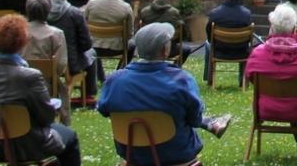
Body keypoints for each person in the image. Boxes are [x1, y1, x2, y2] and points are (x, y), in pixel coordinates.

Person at [98, 23, 232, 166]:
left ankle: (212, 124)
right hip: (175, 154)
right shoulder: (181, 80)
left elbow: (104, 109)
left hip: (133, 153)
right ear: (164, 50)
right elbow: (194, 119)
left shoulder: (114, 80)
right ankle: (212, 123)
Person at [0, 14, 81, 166]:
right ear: (22, 42)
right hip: (24, 145)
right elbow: (47, 117)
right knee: (69, 136)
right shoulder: (29, 76)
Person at [245, 5, 297, 158]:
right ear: (293, 30)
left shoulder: (257, 54)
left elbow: (250, 77)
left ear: (272, 27)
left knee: (296, 103)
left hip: (266, 108)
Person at [23, 0, 71, 123]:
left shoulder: (19, 31)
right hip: (46, 84)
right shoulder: (57, 34)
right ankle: (64, 122)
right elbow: (61, 66)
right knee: (62, 88)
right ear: (48, 10)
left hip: (19, 81)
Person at [45, 0, 94, 99]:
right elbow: (86, 44)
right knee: (92, 53)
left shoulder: (40, 10)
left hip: (42, 58)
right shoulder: (75, 13)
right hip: (70, 64)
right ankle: (89, 94)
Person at [84, 0, 134, 81]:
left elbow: (83, 24)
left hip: (93, 46)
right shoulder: (126, 8)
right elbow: (130, 34)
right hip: (117, 48)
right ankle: (118, 75)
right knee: (132, 45)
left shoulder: (92, 3)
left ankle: (100, 77)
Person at [204, 0, 254, 85]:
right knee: (247, 47)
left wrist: (212, 41)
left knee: (207, 44)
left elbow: (209, 35)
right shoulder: (246, 14)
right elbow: (249, 38)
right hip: (241, 51)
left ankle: (209, 78)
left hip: (219, 51)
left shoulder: (215, 13)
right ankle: (242, 81)